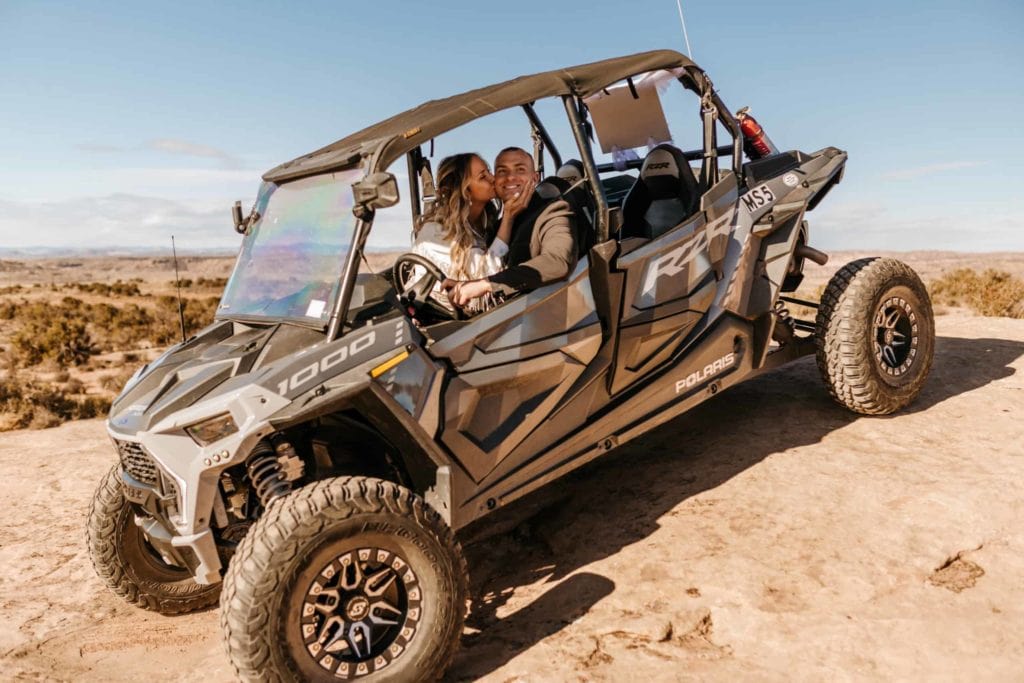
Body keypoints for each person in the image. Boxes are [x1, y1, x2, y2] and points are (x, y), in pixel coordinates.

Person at [443, 147, 576, 308]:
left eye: (520, 170)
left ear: (535, 178)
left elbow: (557, 262)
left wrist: (485, 284)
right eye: (501, 171)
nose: (510, 177)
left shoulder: (552, 211)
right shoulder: (498, 226)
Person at [410, 153, 526, 313]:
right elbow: (487, 277)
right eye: (483, 177)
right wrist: (508, 218)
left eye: (489, 172)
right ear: (465, 191)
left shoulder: (483, 222)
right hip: (445, 325)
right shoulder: (435, 233)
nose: (493, 178)